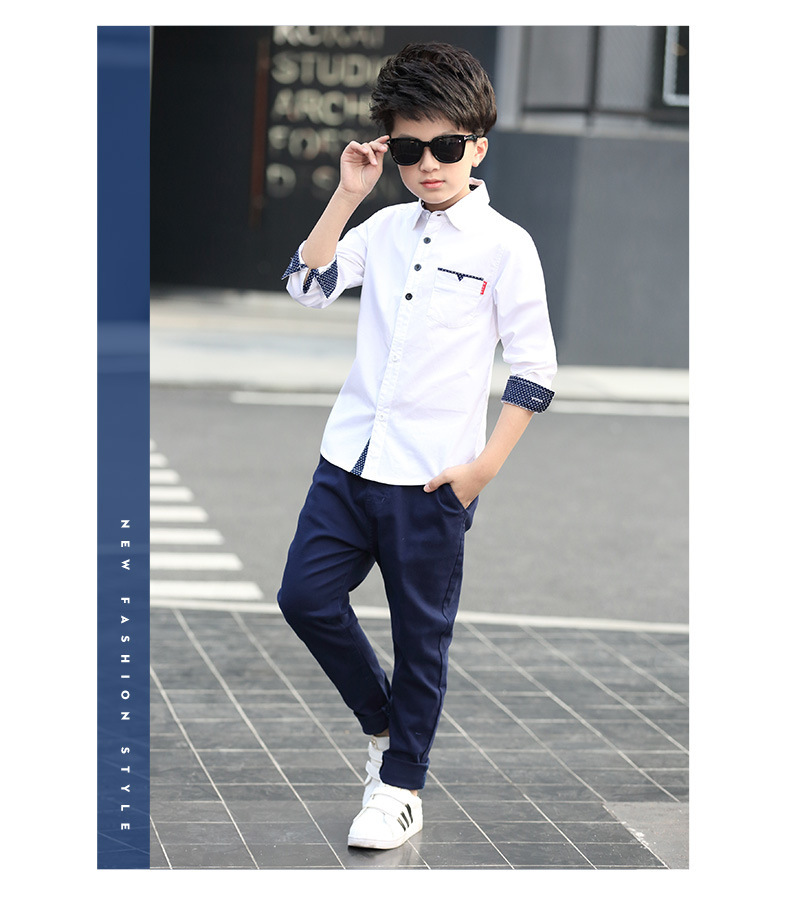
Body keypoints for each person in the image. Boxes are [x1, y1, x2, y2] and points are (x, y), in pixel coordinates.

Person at [277, 42, 557, 851]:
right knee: (304, 598)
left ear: (478, 146)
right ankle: (384, 726)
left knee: (419, 640)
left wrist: (482, 470)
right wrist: (347, 194)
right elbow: (305, 287)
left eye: (445, 145)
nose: (427, 164)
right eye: (408, 149)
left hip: (435, 479)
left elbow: (535, 369)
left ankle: (399, 788)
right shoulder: (384, 227)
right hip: (349, 461)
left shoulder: (506, 245)